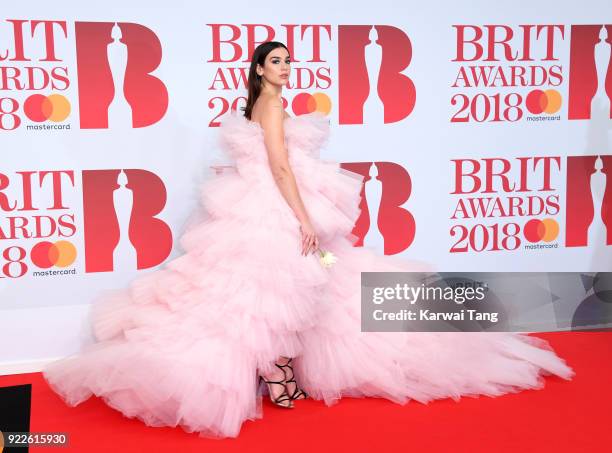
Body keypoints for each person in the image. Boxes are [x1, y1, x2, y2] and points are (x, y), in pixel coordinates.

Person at [42, 41, 575, 439]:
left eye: (288, 61)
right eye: (276, 62)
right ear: (258, 70)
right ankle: (277, 378)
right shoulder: (270, 107)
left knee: (282, 295)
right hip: (273, 205)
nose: (286, 68)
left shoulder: (263, 106)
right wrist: (303, 218)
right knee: (273, 295)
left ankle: (279, 375)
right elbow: (279, 166)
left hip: (259, 203)